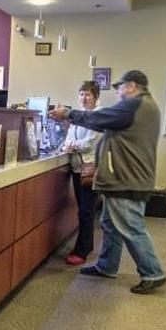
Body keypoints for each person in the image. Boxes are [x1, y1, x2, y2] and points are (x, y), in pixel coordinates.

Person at [49, 69, 166, 294]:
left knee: (131, 226)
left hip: (127, 178)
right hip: (126, 177)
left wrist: (69, 113)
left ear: (132, 86)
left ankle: (153, 272)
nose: (119, 93)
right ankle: (107, 265)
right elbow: (102, 124)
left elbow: (99, 118)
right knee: (111, 225)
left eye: (120, 88)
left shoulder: (135, 105)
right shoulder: (146, 106)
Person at [62, 81, 103, 266]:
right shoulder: (79, 117)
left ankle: (83, 250)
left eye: (87, 95)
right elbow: (68, 138)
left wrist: (72, 145)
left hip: (90, 169)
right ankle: (85, 246)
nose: (83, 98)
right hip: (78, 168)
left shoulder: (98, 117)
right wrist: (69, 144)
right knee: (83, 210)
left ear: (95, 97)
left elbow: (89, 144)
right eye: (81, 94)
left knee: (87, 211)